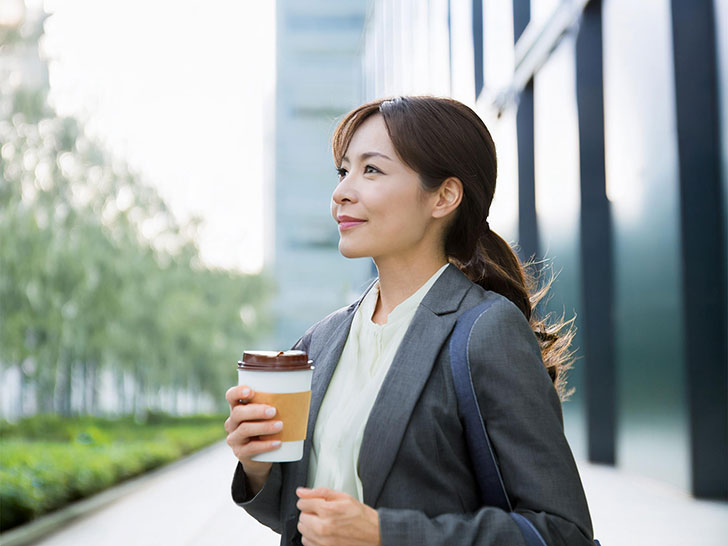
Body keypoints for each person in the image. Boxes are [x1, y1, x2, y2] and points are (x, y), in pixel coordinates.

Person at [224, 96, 596, 545]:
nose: (342, 191)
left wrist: (386, 534)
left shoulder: (485, 330)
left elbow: (562, 532)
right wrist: (259, 466)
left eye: (372, 170)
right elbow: (302, 517)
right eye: (343, 171)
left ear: (444, 196)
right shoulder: (321, 341)